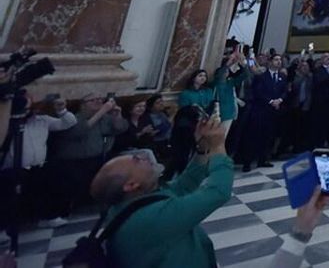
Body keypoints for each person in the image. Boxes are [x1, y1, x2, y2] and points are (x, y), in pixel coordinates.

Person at [88, 114, 233, 268]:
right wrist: (218, 146)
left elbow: (184, 185)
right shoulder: (149, 218)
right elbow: (218, 193)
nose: (143, 156)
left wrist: (203, 148)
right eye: (136, 160)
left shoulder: (139, 198)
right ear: (131, 185)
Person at [0, 91, 75, 249]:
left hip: (38, 165)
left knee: (44, 191)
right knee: (7, 199)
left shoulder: (42, 120)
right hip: (13, 168)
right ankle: (2, 228)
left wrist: (61, 109)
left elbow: (68, 123)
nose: (28, 111)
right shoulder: (7, 122)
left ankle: (47, 217)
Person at [47, 93, 128, 220]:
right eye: (93, 100)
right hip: (73, 160)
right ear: (82, 105)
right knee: (69, 188)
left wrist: (117, 115)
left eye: (100, 99)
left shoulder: (105, 118)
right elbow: (78, 131)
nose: (98, 101)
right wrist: (102, 111)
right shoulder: (75, 118)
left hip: (97, 158)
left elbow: (120, 128)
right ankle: (61, 212)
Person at [237, 53, 289, 172]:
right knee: (254, 136)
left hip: (274, 111)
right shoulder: (261, 76)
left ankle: (263, 159)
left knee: (268, 136)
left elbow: (285, 91)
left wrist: (280, 100)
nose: (278, 62)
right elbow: (258, 91)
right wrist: (271, 101)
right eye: (276, 60)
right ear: (270, 62)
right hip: (261, 109)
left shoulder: (282, 76)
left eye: (280, 60)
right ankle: (247, 162)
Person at [311, 54, 329, 149]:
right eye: (326, 57)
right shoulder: (318, 70)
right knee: (320, 123)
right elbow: (320, 82)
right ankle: (319, 142)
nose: (328, 59)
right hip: (321, 101)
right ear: (322, 60)